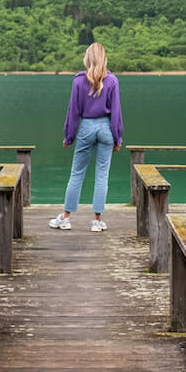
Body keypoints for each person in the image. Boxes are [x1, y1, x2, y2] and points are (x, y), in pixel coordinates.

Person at [50, 42, 124, 232]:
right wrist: (118, 139)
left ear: (87, 58)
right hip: (106, 128)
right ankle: (97, 221)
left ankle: (65, 218)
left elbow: (73, 112)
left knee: (77, 174)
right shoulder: (112, 81)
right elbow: (116, 113)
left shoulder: (78, 81)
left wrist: (69, 136)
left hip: (87, 128)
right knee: (102, 176)